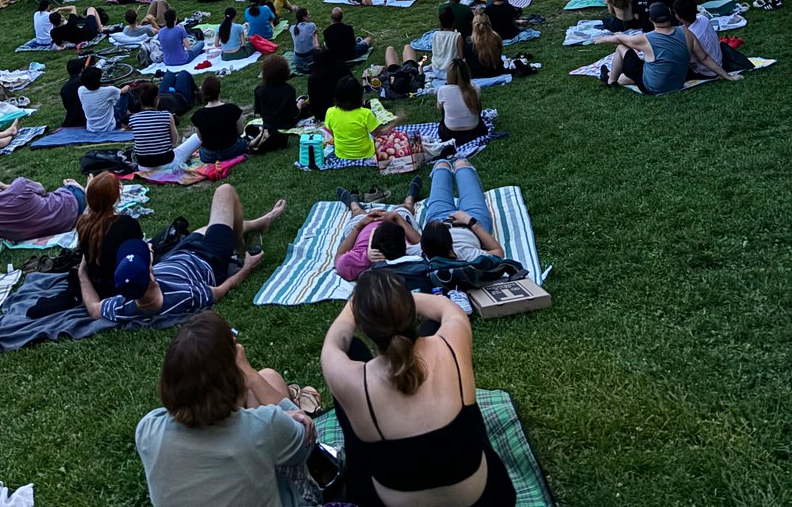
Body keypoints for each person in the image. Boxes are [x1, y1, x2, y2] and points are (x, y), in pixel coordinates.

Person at [321, 269, 516, 507]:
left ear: (364, 323)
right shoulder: (452, 342)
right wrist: (396, 301)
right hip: (484, 501)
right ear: (409, 312)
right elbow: (444, 306)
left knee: (351, 350)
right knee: (436, 328)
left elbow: (333, 342)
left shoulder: (349, 380)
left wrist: (356, 305)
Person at [135, 313, 316, 507]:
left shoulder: (147, 430)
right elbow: (308, 437)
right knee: (269, 379)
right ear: (232, 377)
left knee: (268, 380)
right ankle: (295, 395)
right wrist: (250, 374)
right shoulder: (264, 426)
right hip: (289, 483)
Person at [79, 185, 285, 323]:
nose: (149, 249)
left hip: (180, 255)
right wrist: (247, 267)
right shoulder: (183, 296)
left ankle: (259, 222)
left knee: (212, 225)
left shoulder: (124, 303)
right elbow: (222, 289)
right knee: (225, 191)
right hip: (208, 258)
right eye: (147, 257)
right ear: (151, 277)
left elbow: (94, 308)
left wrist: (82, 274)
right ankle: (239, 245)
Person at [594, 2, 742, 92]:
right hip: (677, 83)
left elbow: (621, 38)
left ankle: (610, 81)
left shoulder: (644, 39)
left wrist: (604, 39)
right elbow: (704, 57)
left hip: (653, 87)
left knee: (621, 48)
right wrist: (727, 76)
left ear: (651, 20)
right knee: (626, 77)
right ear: (671, 14)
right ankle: (611, 77)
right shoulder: (686, 32)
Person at [0, 167, 87, 253]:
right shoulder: (20, 186)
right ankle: (78, 188)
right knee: (71, 188)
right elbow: (41, 188)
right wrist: (5, 187)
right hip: (71, 208)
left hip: (43, 231)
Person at [334, 184, 423, 282]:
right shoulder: (408, 250)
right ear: (404, 242)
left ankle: (354, 204)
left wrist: (359, 226)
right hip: (393, 221)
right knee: (404, 209)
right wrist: (396, 217)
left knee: (358, 213)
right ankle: (409, 200)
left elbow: (339, 257)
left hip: (364, 226)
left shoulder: (358, 258)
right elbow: (421, 243)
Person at [250, 54, 301, 153]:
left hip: (268, 123)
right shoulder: (289, 90)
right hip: (286, 124)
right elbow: (294, 114)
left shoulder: (259, 90)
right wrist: (300, 104)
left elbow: (258, 110)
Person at [325, 75, 383, 160]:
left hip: (341, 153)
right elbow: (378, 136)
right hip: (366, 152)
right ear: (359, 95)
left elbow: (333, 133)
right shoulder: (366, 114)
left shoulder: (330, 112)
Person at [192, 75, 247, 162]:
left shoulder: (197, 115)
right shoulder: (232, 109)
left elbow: (201, 139)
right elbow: (240, 131)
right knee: (243, 142)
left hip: (209, 156)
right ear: (219, 90)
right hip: (232, 150)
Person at [437, 58, 487, 143]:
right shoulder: (475, 88)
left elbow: (439, 108)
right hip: (475, 130)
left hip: (450, 134)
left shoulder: (442, 90)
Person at [78, 65, 128, 131]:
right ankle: (136, 112)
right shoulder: (109, 90)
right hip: (110, 127)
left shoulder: (80, 90)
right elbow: (123, 91)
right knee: (126, 94)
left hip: (91, 128)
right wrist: (127, 86)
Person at [464, 13, 505, 78]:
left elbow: (468, 61)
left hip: (476, 74)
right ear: (489, 23)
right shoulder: (496, 37)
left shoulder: (468, 42)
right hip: (496, 71)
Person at [431, 6, 464, 74]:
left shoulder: (435, 34)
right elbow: (461, 56)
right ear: (454, 22)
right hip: (451, 71)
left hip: (436, 70)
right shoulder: (457, 36)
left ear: (440, 23)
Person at [290, 6, 318, 73]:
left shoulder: (292, 28)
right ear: (304, 17)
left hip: (298, 59)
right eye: (308, 15)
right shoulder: (311, 25)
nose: (310, 16)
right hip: (310, 57)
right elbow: (315, 33)